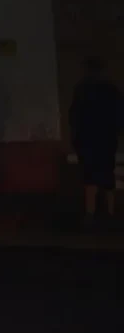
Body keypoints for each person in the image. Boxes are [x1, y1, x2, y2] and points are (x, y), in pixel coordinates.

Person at [69, 57, 121, 224]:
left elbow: (74, 117)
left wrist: (77, 140)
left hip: (88, 140)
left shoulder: (82, 90)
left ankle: (90, 213)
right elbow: (119, 115)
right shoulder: (111, 90)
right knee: (107, 176)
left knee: (90, 177)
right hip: (106, 139)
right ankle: (110, 212)